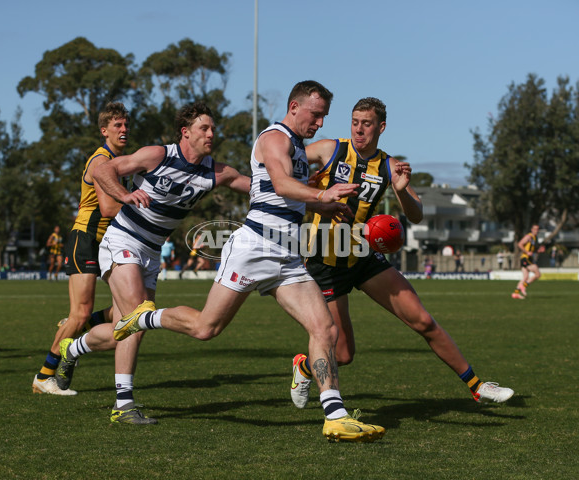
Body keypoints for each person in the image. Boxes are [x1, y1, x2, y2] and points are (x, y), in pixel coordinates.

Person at [107, 81, 385, 442]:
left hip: (286, 254)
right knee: (206, 329)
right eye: (315, 115)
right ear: (295, 107)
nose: (319, 124)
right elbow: (282, 185)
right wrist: (322, 192)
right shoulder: (275, 138)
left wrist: (323, 204)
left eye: (323, 118)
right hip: (255, 247)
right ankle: (144, 317)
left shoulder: (299, 148)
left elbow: (286, 198)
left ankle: (335, 415)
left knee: (325, 328)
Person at [287, 97, 513, 411]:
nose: (359, 129)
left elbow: (417, 215)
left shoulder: (390, 166)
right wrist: (303, 183)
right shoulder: (329, 149)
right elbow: (285, 162)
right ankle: (304, 366)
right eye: (355, 122)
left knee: (423, 320)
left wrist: (404, 190)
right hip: (325, 262)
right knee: (342, 354)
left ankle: (477, 386)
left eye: (367, 123)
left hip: (362, 255)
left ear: (381, 127)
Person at [57, 102, 251, 425]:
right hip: (122, 240)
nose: (211, 134)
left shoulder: (214, 172)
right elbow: (101, 170)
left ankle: (71, 350)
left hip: (151, 253)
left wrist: (308, 191)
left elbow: (254, 186)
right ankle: (123, 405)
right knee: (138, 315)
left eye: (213, 129)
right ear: (186, 132)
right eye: (205, 128)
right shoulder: (159, 155)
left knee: (127, 328)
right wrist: (124, 194)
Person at [32, 102, 130, 395]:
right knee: (80, 312)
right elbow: (109, 207)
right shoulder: (101, 162)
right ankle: (44, 376)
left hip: (107, 242)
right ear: (104, 131)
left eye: (126, 125)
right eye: (117, 126)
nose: (124, 130)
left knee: (125, 311)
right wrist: (142, 203)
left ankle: (79, 323)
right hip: (85, 239)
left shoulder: (119, 160)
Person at [511, 224, 543, 299]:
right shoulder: (529, 236)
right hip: (525, 258)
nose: (536, 231)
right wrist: (526, 252)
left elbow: (532, 250)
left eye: (538, 229)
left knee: (525, 277)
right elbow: (520, 244)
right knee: (538, 274)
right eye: (535, 229)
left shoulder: (535, 238)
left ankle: (515, 293)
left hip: (527, 258)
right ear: (531, 229)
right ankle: (524, 286)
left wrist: (538, 251)